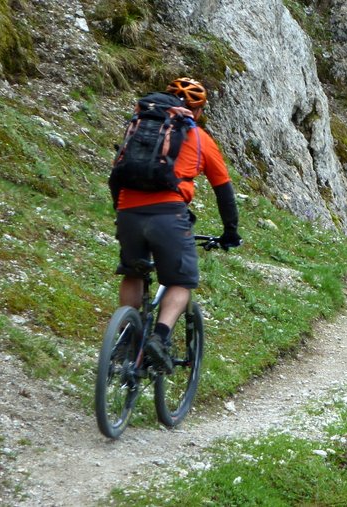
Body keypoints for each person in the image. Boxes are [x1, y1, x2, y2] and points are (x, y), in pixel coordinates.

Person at [110, 77, 241, 373]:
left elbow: (118, 171)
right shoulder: (200, 138)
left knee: (133, 272)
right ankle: (160, 337)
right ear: (198, 111)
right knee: (180, 281)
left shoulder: (142, 127)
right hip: (168, 213)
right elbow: (224, 192)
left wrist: (120, 211)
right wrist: (230, 232)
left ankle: (124, 340)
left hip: (127, 209)